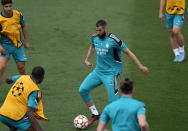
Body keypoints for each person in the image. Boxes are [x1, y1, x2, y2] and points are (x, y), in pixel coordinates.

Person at [79, 20, 149, 125]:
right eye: (97, 30)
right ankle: (95, 114)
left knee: (114, 103)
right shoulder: (95, 37)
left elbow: (128, 53)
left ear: (106, 29)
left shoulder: (114, 40)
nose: (98, 33)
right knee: (82, 90)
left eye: (100, 30)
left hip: (111, 74)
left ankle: (138, 107)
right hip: (98, 72)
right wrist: (87, 59)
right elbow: (93, 46)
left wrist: (140, 66)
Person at [0, 66, 48, 131]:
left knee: (13, 126)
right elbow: (29, 113)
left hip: (3, 113)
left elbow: (8, 79)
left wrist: (8, 81)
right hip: (15, 117)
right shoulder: (34, 90)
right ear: (42, 77)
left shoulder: (22, 77)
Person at [0, 0, 30, 84]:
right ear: (3, 7)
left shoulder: (18, 14)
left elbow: (23, 26)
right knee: (1, 68)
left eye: (10, 6)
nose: (9, 8)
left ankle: (25, 88)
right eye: (6, 7)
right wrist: (0, 47)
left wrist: (26, 41)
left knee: (22, 69)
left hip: (18, 46)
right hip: (5, 47)